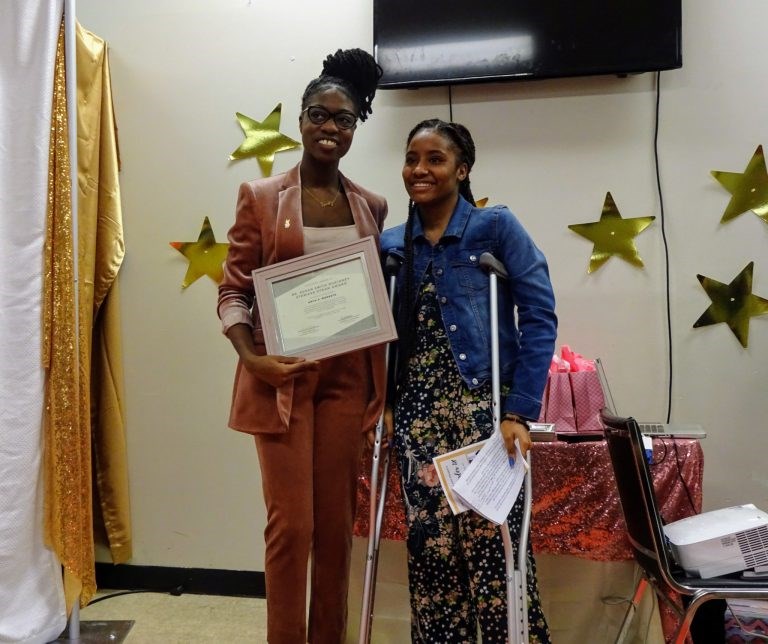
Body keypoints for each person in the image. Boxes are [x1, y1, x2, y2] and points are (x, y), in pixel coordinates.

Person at [217, 49, 387, 644]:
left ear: (356, 127)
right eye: (319, 114)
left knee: (337, 530)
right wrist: (252, 357)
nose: (330, 128)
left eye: (343, 120)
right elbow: (233, 292)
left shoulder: (371, 206)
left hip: (348, 380)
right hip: (282, 378)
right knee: (292, 528)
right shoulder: (261, 197)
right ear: (300, 117)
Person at [380, 119, 557, 643]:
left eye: (435, 159)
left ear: (462, 169)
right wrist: (387, 402)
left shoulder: (495, 227)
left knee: (496, 559)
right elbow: (381, 333)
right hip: (419, 421)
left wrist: (520, 410)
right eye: (412, 158)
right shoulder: (393, 243)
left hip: (485, 419)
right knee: (431, 558)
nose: (420, 169)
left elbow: (540, 315)